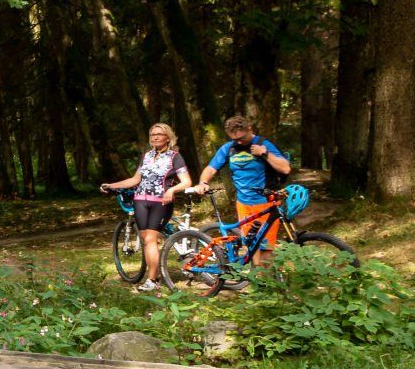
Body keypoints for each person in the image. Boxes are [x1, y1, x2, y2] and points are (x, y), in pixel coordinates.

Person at [187, 115, 292, 265]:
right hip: (243, 204)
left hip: (265, 203)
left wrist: (265, 153)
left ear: (250, 129)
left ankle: (266, 283)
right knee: (252, 245)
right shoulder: (229, 148)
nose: (239, 142)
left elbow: (285, 168)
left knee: (266, 249)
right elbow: (211, 168)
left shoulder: (264, 144)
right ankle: (258, 280)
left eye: (242, 138)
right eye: (235, 139)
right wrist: (203, 182)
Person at [102, 123, 192, 292]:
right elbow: (135, 180)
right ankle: (154, 276)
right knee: (147, 241)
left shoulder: (175, 157)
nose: (156, 137)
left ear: (168, 137)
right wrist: (112, 185)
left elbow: (187, 181)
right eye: (152, 134)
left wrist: (172, 190)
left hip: (161, 203)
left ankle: (152, 279)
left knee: (151, 239)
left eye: (160, 134)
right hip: (140, 201)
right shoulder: (147, 156)